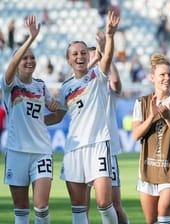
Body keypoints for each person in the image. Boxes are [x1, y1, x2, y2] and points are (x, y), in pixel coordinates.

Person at [44, 7, 120, 224]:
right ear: (69, 60)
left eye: (83, 52)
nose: (80, 56)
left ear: (89, 56)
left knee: (105, 204)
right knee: (78, 209)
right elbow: (57, 116)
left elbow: (107, 60)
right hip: (74, 149)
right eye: (75, 54)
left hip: (98, 145)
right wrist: (36, 122)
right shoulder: (66, 87)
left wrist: (110, 36)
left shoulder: (98, 75)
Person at [1, 15, 59, 224]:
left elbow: (55, 117)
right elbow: (12, 63)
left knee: (41, 207)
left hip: (41, 151)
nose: (29, 60)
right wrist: (30, 38)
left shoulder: (41, 86)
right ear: (17, 64)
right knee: (21, 210)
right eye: (24, 58)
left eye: (32, 57)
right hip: (16, 152)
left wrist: (56, 109)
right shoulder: (9, 85)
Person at [132, 53, 170, 224]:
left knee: (164, 217)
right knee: (151, 220)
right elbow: (136, 134)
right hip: (147, 167)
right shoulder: (141, 102)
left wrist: (168, 118)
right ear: (152, 77)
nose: (167, 78)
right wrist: (152, 117)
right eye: (162, 74)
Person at [87, 32, 129, 224]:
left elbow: (117, 83)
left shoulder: (107, 89)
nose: (95, 62)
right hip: (84, 150)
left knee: (113, 203)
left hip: (107, 150)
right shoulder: (77, 87)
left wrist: (105, 55)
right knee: (82, 205)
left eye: (97, 59)